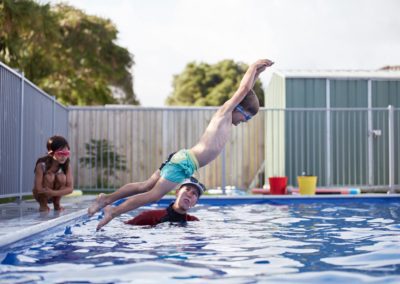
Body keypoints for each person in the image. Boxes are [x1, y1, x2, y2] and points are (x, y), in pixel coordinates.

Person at [96, 58, 274, 230]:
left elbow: (247, 92)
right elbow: (243, 90)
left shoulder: (228, 119)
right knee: (153, 194)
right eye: (247, 117)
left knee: (145, 186)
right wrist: (253, 66)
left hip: (183, 159)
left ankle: (107, 199)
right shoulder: (224, 114)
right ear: (238, 108)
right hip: (185, 162)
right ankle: (114, 211)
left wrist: (257, 73)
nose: (246, 121)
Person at [125, 177, 205, 226]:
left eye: (194, 193)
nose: (189, 194)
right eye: (187, 189)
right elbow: (126, 227)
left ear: (195, 203)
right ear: (177, 193)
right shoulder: (150, 216)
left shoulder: (194, 222)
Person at [32, 135, 73, 211]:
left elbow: (70, 189)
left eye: (66, 153)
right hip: (42, 194)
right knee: (49, 177)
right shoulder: (41, 165)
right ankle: (43, 205)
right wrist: (48, 193)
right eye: (60, 153)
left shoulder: (66, 166)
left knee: (62, 177)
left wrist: (53, 193)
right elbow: (38, 189)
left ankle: (56, 203)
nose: (63, 157)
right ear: (51, 153)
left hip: (54, 193)